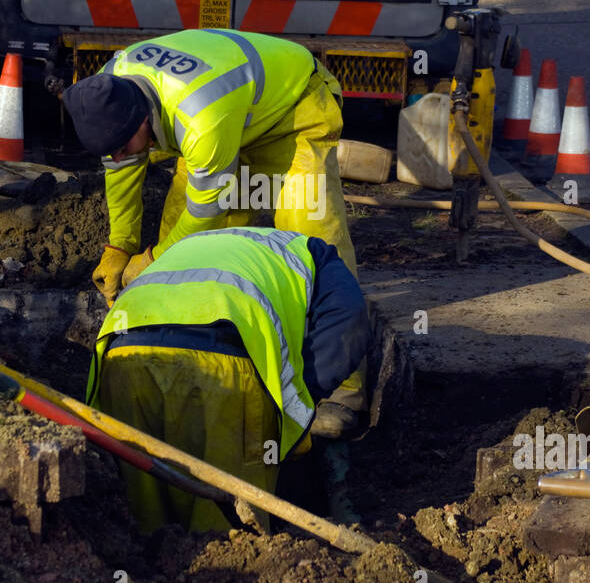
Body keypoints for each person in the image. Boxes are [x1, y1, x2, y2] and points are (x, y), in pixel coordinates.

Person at [62, 27, 364, 434]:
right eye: (109, 152)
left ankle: (343, 389)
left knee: (313, 245)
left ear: (142, 118)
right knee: (182, 243)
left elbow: (205, 214)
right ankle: (198, 351)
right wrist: (120, 247)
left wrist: (149, 261)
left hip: (294, 110)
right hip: (228, 120)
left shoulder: (200, 116)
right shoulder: (110, 89)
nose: (116, 156)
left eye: (120, 146)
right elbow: (122, 175)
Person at [85, 226, 371, 532]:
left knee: (143, 523)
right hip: (225, 364)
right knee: (230, 529)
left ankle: (145, 573)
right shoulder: (317, 254)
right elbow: (350, 319)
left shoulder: (194, 246)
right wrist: (303, 395)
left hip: (121, 361)